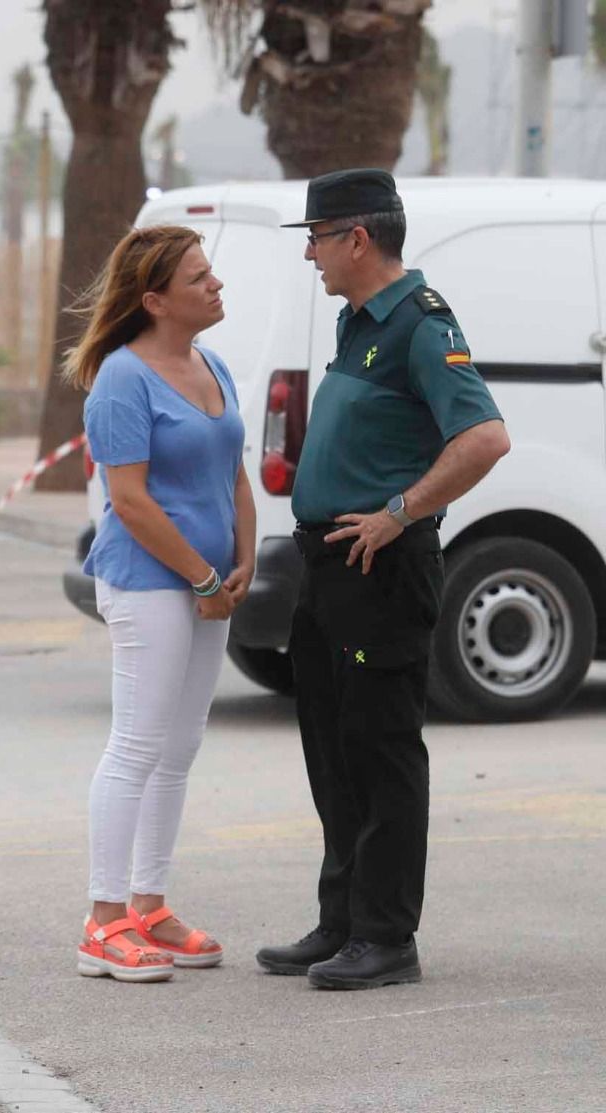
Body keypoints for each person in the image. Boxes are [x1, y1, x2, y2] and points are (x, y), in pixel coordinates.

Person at [256, 169, 509, 990]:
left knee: (381, 751)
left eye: (317, 238)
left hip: (381, 567)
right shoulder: (356, 322)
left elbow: (484, 437)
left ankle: (387, 936)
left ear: (357, 238)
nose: (310, 254)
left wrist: (400, 511)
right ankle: (342, 923)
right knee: (333, 749)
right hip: (327, 564)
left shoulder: (420, 326)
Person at [67, 225, 255, 983]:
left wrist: (244, 560)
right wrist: (205, 579)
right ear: (154, 300)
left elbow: (233, 475)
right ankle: (102, 921)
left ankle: (149, 905)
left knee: (180, 748)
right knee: (138, 745)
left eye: (212, 273)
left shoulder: (213, 365)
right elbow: (131, 501)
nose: (216, 286)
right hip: (149, 582)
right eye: (199, 278)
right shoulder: (121, 378)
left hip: (211, 583)